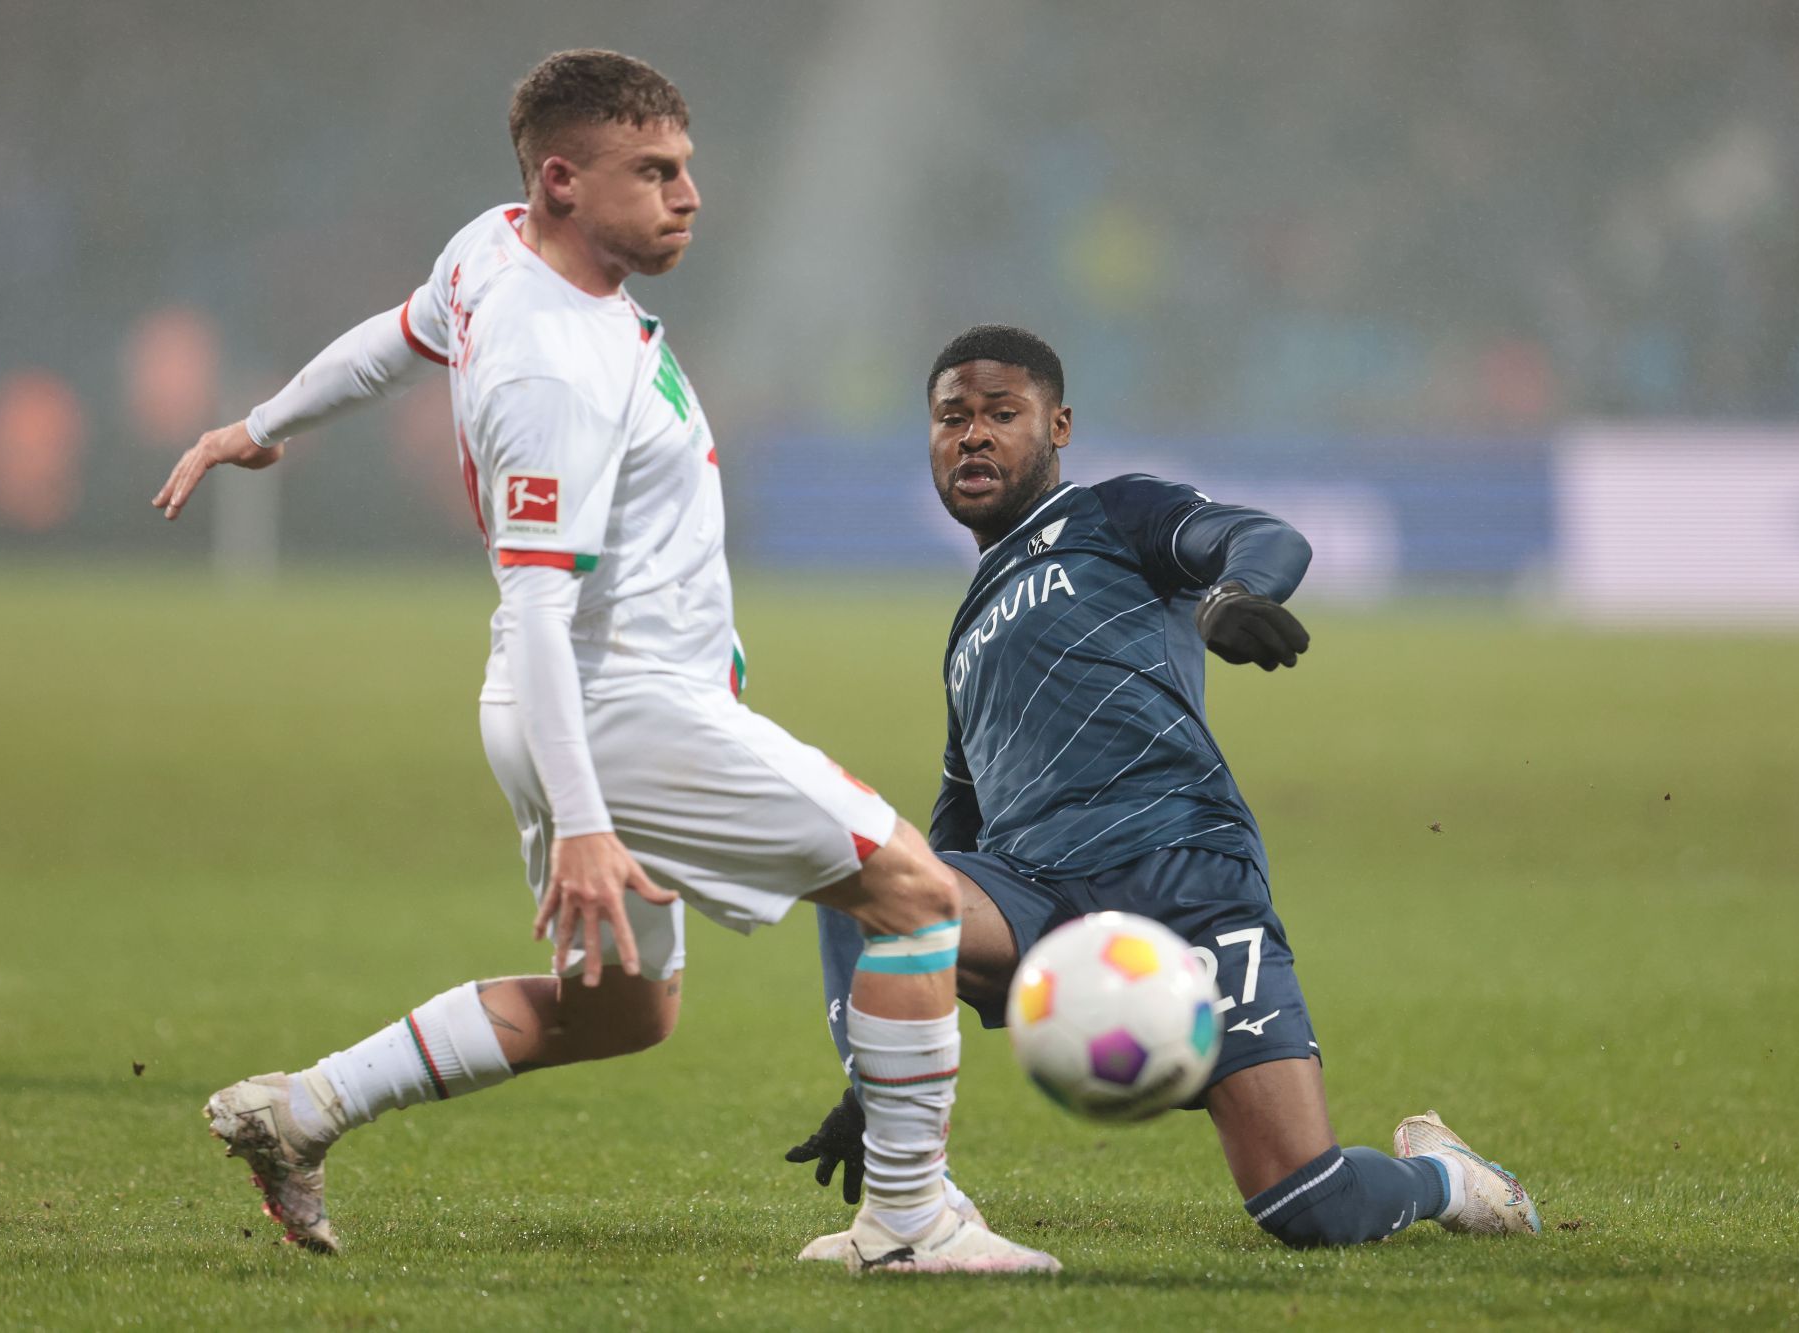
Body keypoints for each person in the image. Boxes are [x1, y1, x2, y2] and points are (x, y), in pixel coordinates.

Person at [152, 52, 1057, 1275]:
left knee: (620, 1009)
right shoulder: (552, 367)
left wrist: (256, 429)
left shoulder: (491, 248)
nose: (688, 195)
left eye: (687, 167)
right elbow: (533, 598)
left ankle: (302, 1108)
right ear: (566, 180)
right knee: (915, 896)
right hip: (618, 708)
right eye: (656, 173)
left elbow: (393, 338)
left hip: (561, 707)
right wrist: (585, 822)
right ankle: (907, 1222)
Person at [787, 325, 1541, 1256]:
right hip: (1040, 895)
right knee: (854, 859)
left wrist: (1233, 594)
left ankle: (1446, 1177)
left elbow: (1261, 536)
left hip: (1184, 876)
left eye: (1000, 414)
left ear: (1057, 425)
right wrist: (873, 1079)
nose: (972, 435)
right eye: (951, 418)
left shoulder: (1115, 513)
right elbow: (953, 827)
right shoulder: (969, 627)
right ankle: (916, 1194)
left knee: (1309, 1207)